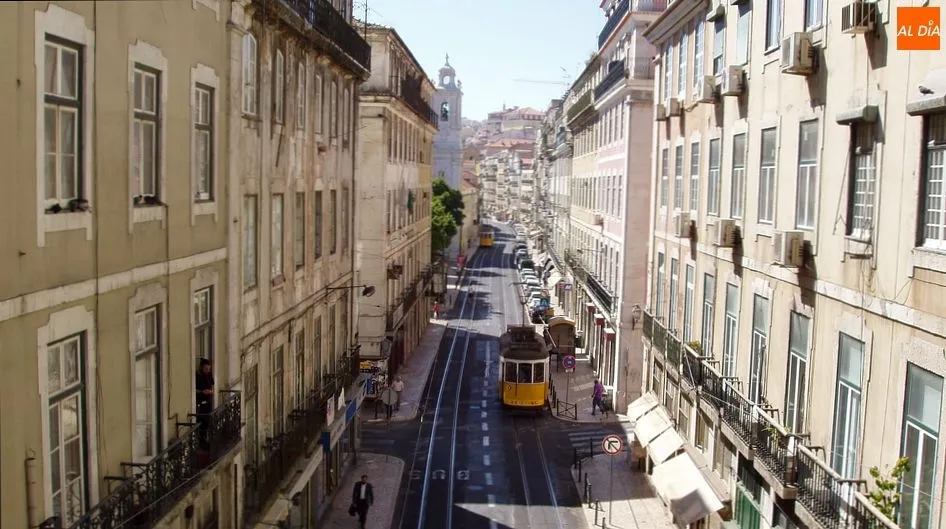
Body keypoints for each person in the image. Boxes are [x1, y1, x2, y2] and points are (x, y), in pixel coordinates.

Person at [195, 358, 215, 448]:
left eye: (209, 368)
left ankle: (205, 438)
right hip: (200, 402)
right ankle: (200, 440)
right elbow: (194, 390)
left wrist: (211, 391)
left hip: (208, 401)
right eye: (206, 368)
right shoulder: (197, 376)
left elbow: (212, 385)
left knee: (207, 421)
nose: (207, 370)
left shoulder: (209, 375)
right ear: (201, 367)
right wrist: (202, 392)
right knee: (200, 421)